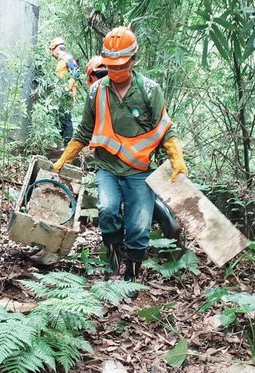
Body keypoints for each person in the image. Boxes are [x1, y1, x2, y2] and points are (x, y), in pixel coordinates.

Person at [52, 26, 188, 295]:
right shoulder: (96, 92)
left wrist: (176, 160)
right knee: (108, 208)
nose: (114, 72)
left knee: (138, 225)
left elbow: (165, 130)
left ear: (133, 60)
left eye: (121, 66)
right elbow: (83, 132)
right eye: (110, 66)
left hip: (138, 170)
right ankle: (113, 257)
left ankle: (132, 275)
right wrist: (64, 159)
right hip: (107, 168)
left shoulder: (150, 91)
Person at [48, 37, 80, 147]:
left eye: (53, 51)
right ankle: (62, 143)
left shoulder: (68, 59)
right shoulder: (61, 61)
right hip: (60, 93)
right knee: (60, 117)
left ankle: (67, 145)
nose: (53, 54)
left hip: (66, 94)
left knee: (66, 119)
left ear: (56, 49)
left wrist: (68, 87)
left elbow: (76, 73)